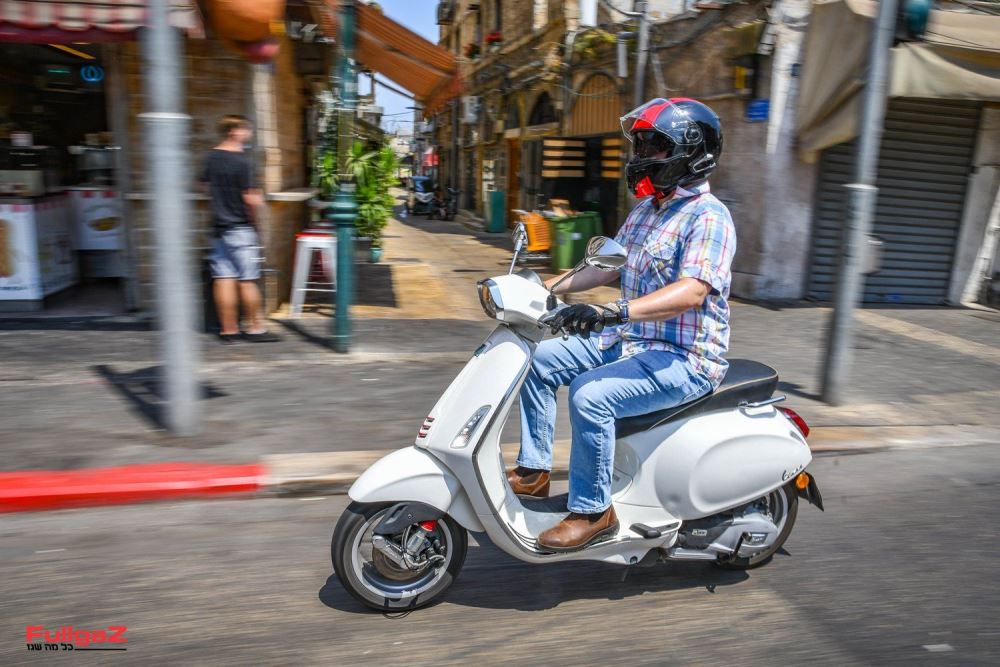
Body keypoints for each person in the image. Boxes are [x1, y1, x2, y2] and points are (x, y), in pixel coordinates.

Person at [509, 98, 736, 551]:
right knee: (535, 361)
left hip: (683, 358)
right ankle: (534, 471)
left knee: (590, 395)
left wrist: (616, 312)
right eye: (641, 146)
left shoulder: (710, 217)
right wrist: (544, 289)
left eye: (654, 147)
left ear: (691, 153)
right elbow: (607, 266)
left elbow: (693, 290)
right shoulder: (648, 210)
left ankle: (593, 511)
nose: (642, 157)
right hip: (629, 340)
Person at [200, 115, 278, 344]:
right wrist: (258, 223)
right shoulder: (242, 161)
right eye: (246, 130)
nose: (249, 135)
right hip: (240, 228)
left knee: (223, 278)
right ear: (234, 131)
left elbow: (203, 186)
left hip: (218, 228)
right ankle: (256, 328)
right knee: (247, 280)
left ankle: (228, 329)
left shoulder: (211, 157)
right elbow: (250, 198)